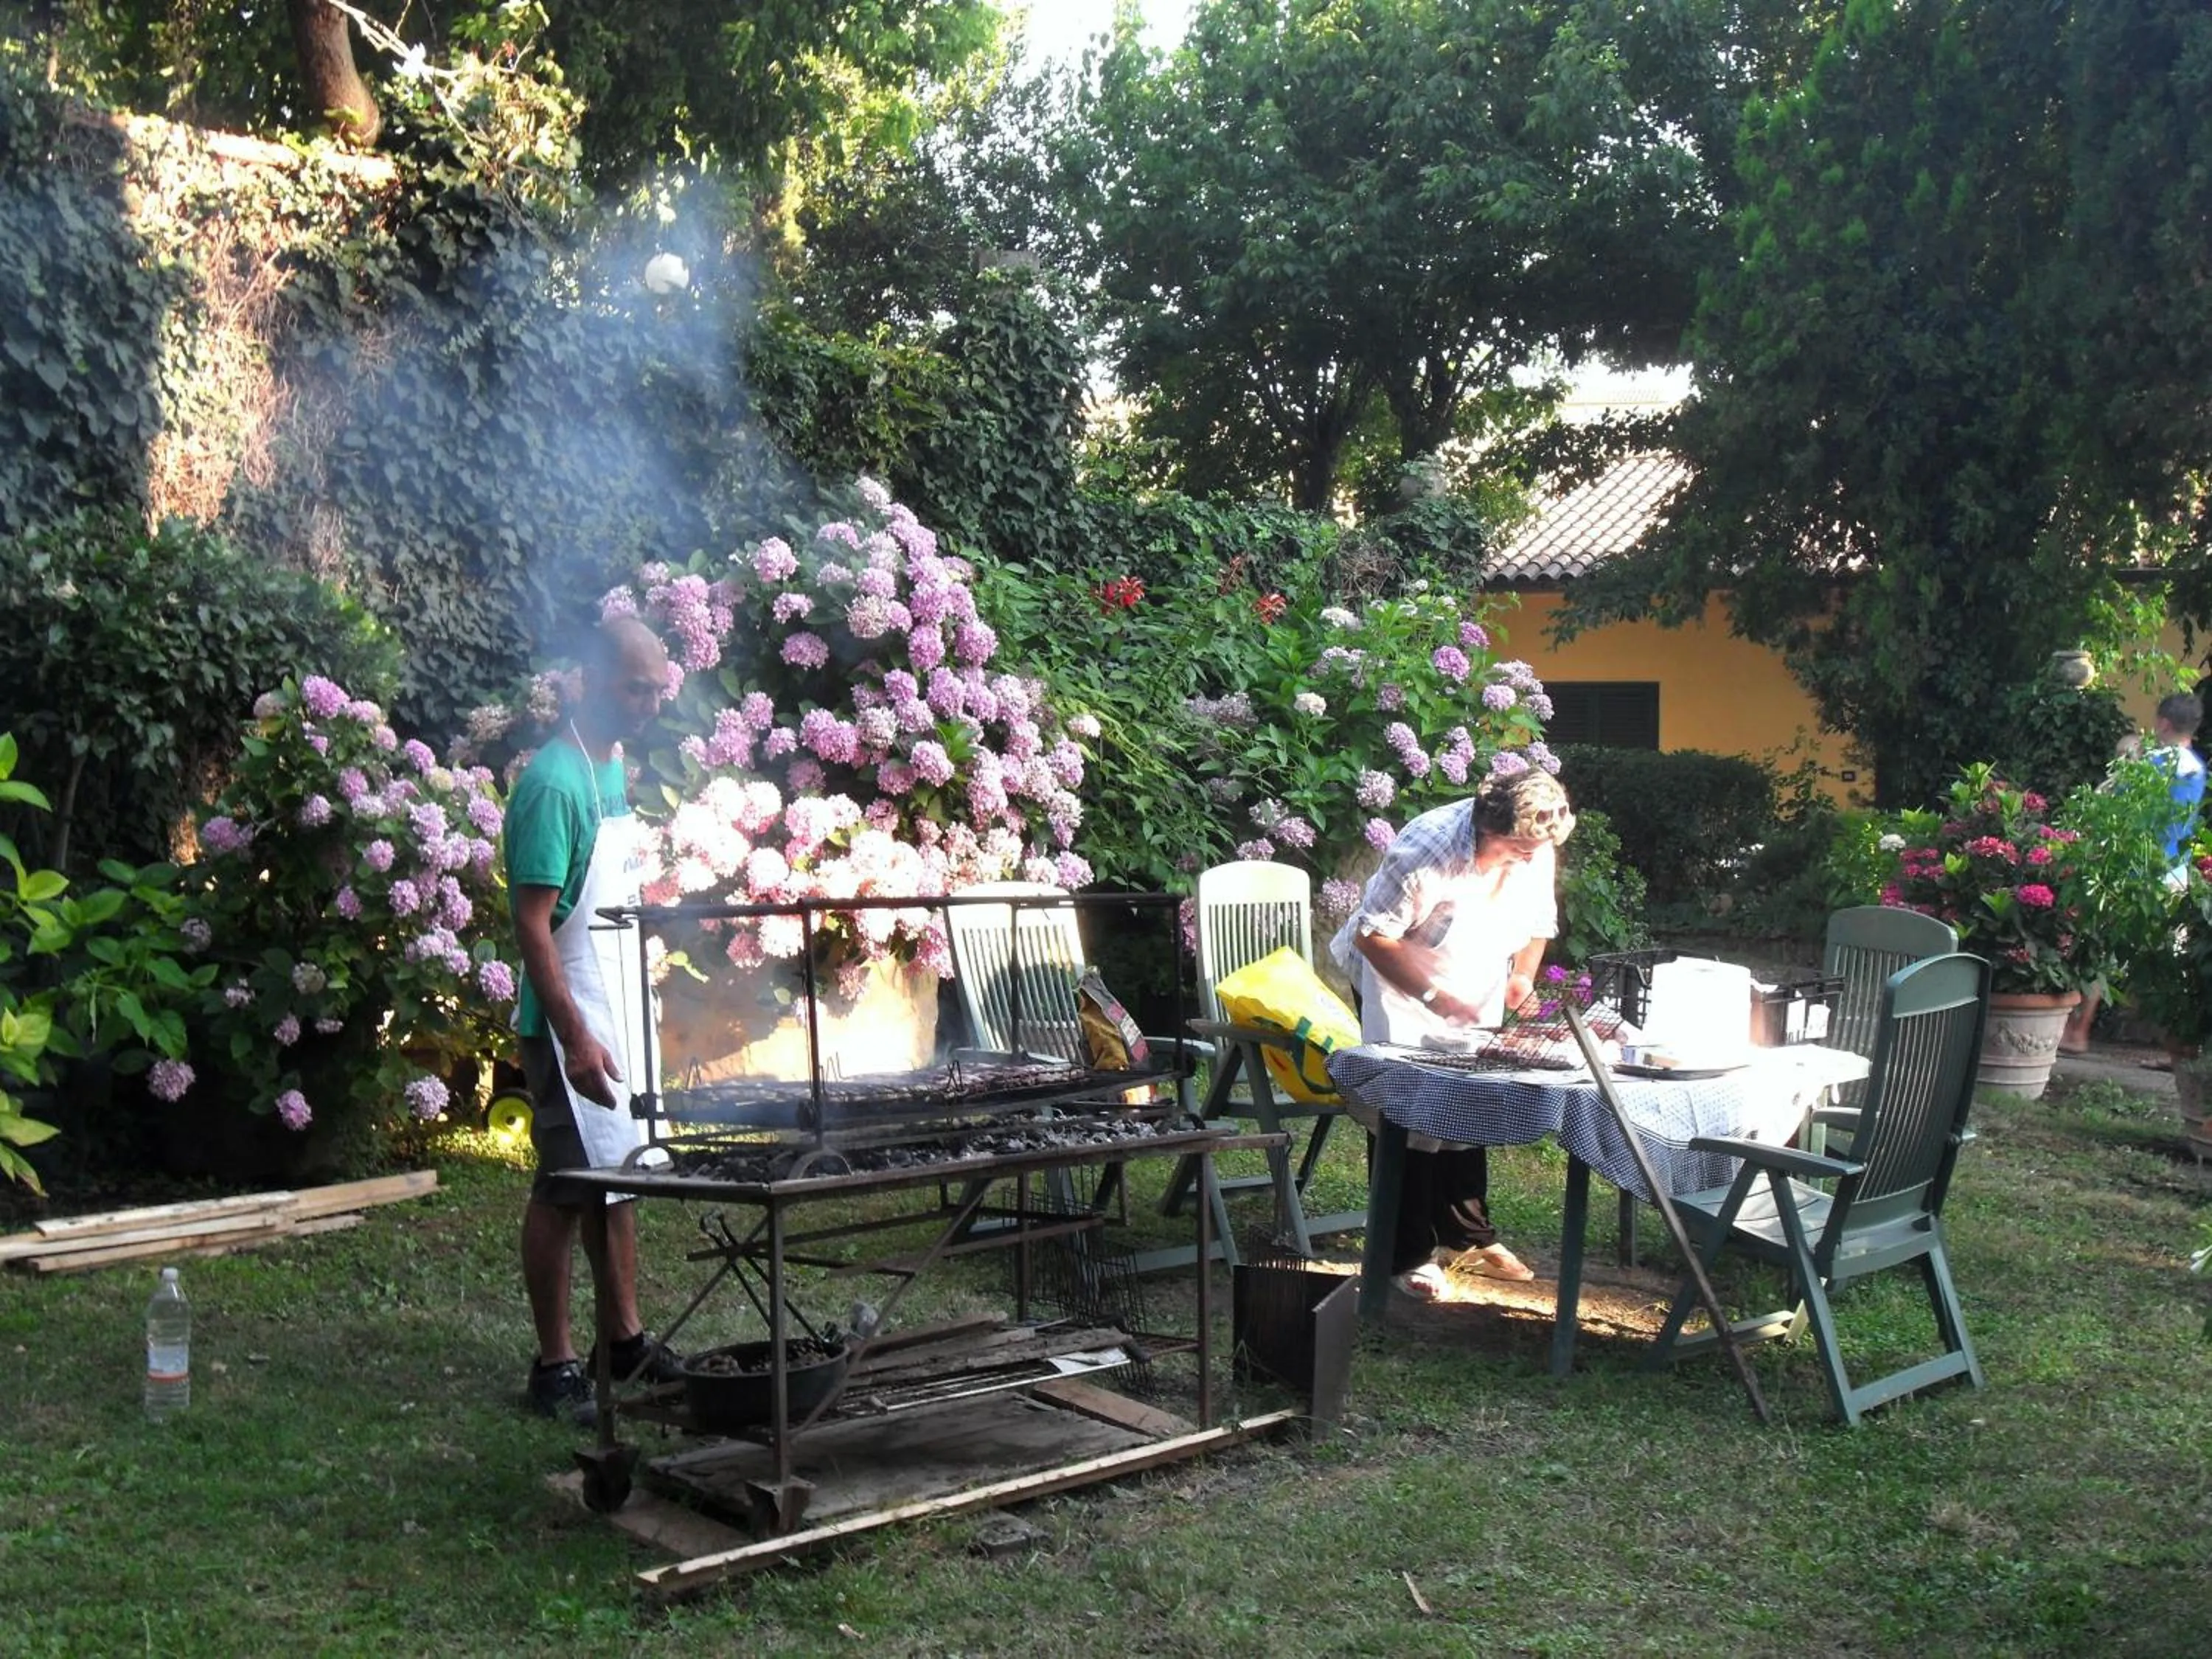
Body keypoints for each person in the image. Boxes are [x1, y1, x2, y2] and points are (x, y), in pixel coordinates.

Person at [506, 615, 681, 1425]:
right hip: (569, 1015)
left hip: (616, 999)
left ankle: (625, 1340)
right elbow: (533, 924)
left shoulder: (612, 762)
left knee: (623, 1178)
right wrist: (573, 1033)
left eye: (655, 687)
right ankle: (556, 1364)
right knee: (568, 1188)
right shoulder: (554, 782)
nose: (647, 703)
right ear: (589, 680)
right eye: (632, 688)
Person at [1328, 767, 1577, 1301]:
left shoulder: (1536, 841)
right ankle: (1406, 1253)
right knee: (1408, 1109)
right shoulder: (1426, 850)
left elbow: (1538, 921)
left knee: (1471, 1098)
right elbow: (1375, 938)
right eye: (1515, 849)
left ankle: (1465, 1237)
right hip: (1397, 976)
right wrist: (1434, 998)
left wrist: (1520, 978)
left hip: (1473, 970)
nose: (1529, 859)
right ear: (1487, 830)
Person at [2067, 692, 2207, 1057]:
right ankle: (2183, 1049)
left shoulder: (2151, 763)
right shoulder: (2195, 767)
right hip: (2173, 873)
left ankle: (2077, 1031)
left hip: (2130, 870)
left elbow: (2111, 809)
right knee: (2170, 965)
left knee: (2099, 951)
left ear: (2162, 723)